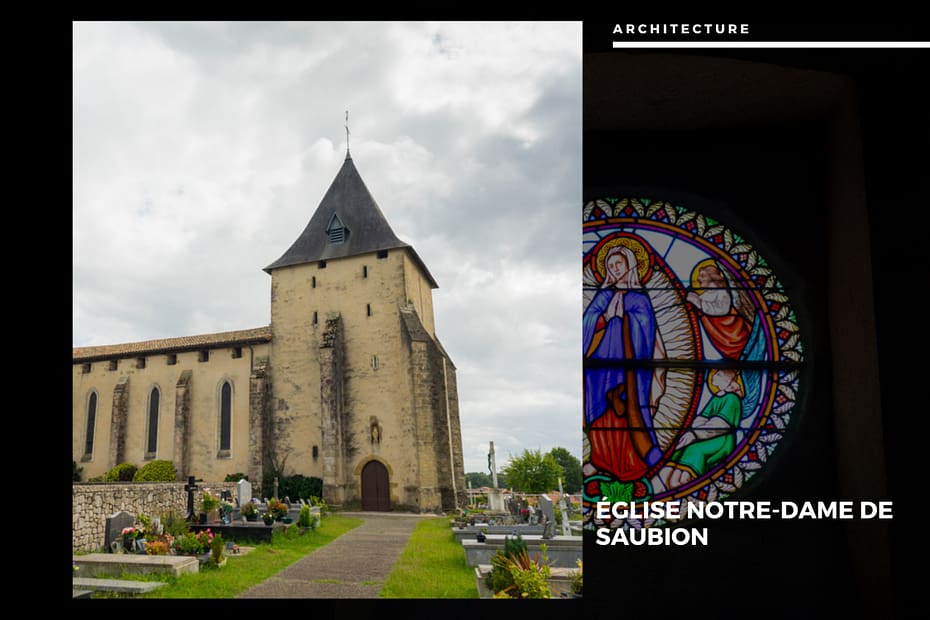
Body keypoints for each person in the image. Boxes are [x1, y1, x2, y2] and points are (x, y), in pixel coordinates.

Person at [584, 237, 667, 482]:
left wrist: (623, 320)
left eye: (619, 263)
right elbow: (585, 326)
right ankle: (601, 460)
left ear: (630, 264)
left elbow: (646, 331)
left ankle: (635, 461)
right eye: (611, 265)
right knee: (603, 415)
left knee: (627, 409)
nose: (615, 269)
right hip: (599, 368)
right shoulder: (602, 297)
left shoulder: (640, 298)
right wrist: (604, 319)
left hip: (629, 367)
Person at [659, 368, 745, 490]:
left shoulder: (732, 398)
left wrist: (695, 434)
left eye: (718, 374)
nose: (713, 376)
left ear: (727, 380)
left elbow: (721, 424)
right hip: (705, 435)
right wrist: (692, 432)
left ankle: (686, 484)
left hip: (722, 439)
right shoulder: (716, 397)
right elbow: (701, 418)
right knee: (680, 447)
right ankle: (668, 484)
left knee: (695, 449)